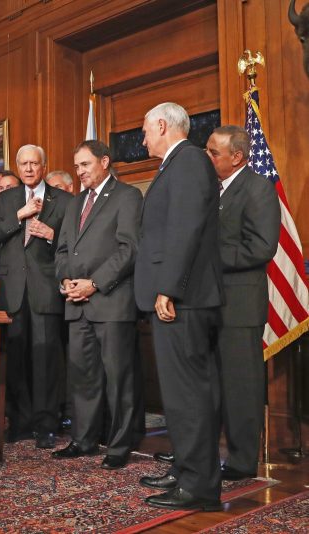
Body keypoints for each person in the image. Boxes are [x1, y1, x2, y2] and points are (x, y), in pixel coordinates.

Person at [153, 126, 281, 480]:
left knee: (241, 387)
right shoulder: (212, 188)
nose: (206, 157)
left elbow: (260, 247)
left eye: (213, 152)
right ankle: (198, 455)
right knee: (204, 386)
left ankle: (241, 462)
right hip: (206, 302)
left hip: (239, 306)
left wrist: (204, 254)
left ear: (236, 157)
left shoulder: (258, 189)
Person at [134, 103, 223, 511]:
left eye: (146, 131)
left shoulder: (188, 161)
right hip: (176, 297)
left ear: (162, 125)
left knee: (189, 395)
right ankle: (185, 472)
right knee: (179, 395)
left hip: (183, 300)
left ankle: (200, 487)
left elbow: (184, 230)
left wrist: (168, 288)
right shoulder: (178, 164)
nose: (143, 139)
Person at [52, 140, 142, 469]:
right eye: (76, 166)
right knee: (82, 377)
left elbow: (129, 249)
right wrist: (65, 282)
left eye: (85, 165)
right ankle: (84, 440)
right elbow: (61, 251)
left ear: (104, 162)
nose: (79, 172)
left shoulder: (128, 196)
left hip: (111, 301)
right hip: (76, 304)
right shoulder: (74, 205)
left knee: (119, 378)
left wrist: (94, 283)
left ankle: (119, 445)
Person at [0, 144, 73, 449]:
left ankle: (46, 425)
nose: (29, 169)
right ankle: (20, 422)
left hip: (46, 289)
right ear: (18, 167)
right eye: (23, 164)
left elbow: (73, 244)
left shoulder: (63, 200)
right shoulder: (7, 198)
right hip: (12, 290)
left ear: (44, 166)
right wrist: (19, 216)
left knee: (47, 358)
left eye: (34, 163)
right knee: (17, 358)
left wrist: (50, 235)